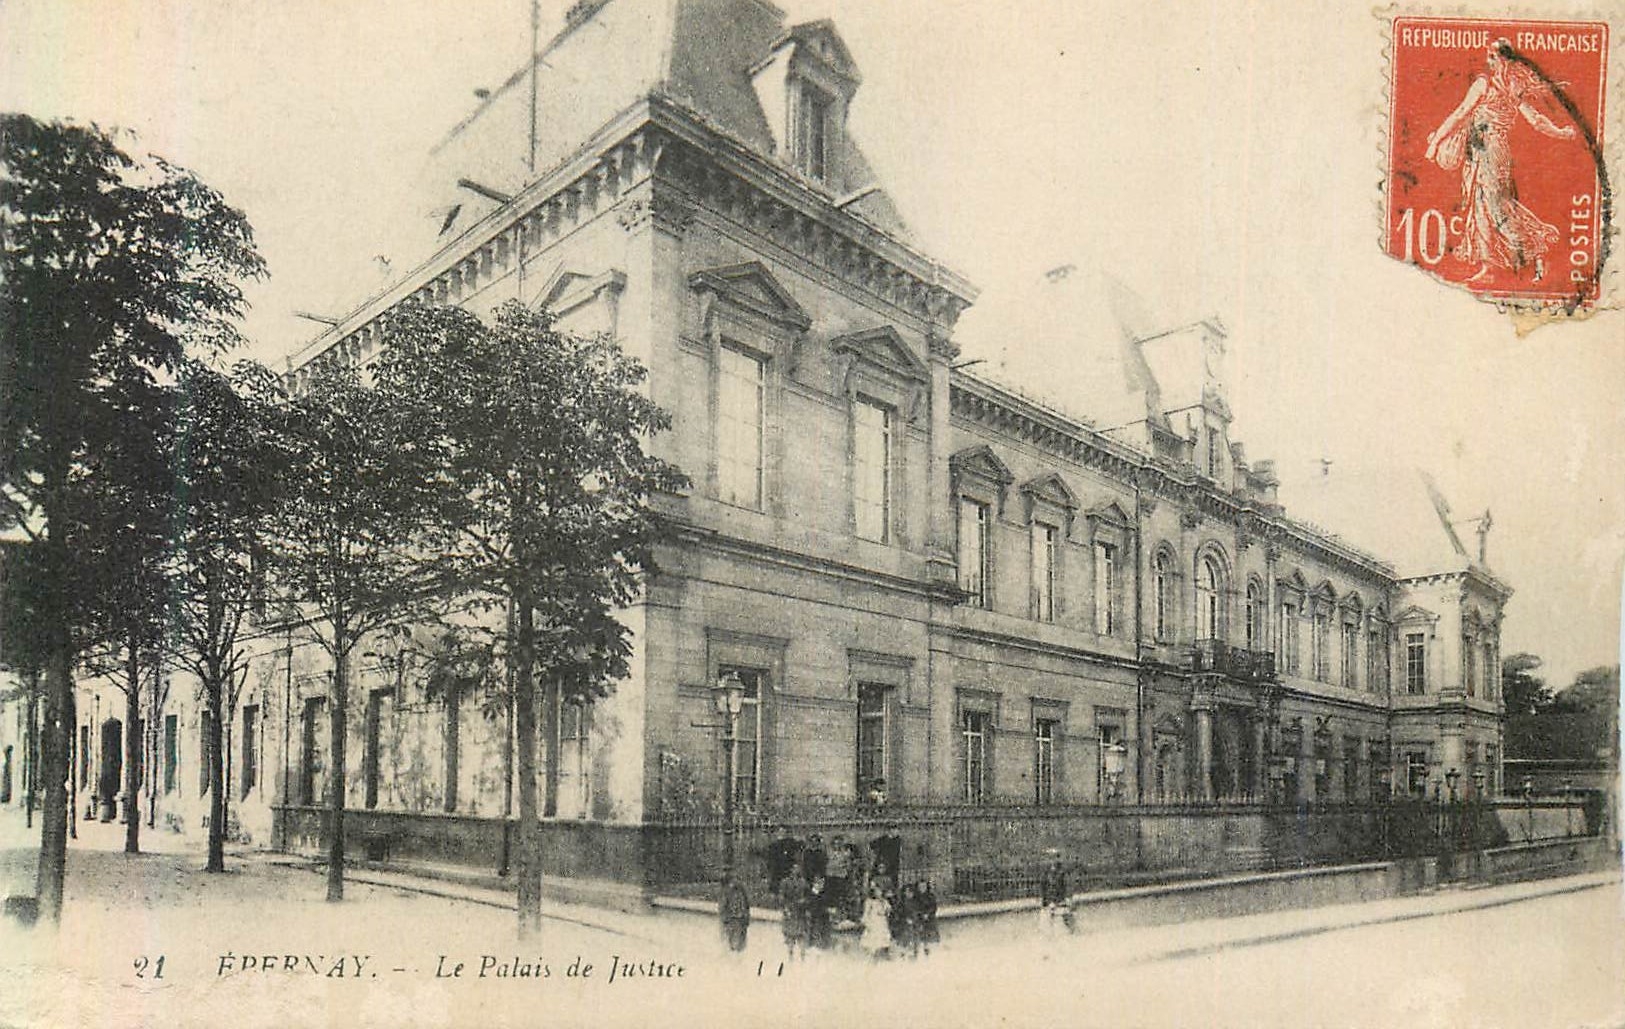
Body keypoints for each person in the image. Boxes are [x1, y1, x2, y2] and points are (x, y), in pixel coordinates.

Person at [1424, 39, 1579, 284]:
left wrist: (1435, 143)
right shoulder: (1506, 87)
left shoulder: (1492, 85)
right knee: (1479, 206)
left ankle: (1535, 248)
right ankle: (1488, 268)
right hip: (1478, 150)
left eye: (1492, 56)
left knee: (1496, 208)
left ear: (1504, 59)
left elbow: (1461, 113)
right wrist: (1561, 132)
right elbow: (1535, 120)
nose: (1489, 61)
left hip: (1492, 151)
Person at [778, 864, 809, 961]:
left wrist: (804, 901)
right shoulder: (785, 882)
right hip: (790, 911)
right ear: (791, 871)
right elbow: (781, 896)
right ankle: (790, 954)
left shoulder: (803, 883)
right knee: (790, 935)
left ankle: (803, 955)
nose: (796, 871)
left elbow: (808, 896)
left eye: (798, 869)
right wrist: (785, 908)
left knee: (801, 934)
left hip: (800, 912)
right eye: (794, 869)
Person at [859, 884, 893, 960]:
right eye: (877, 891)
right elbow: (866, 913)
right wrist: (866, 922)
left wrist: (886, 909)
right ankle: (871, 957)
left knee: (883, 941)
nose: (879, 893)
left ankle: (883, 956)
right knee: (872, 942)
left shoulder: (884, 901)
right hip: (873, 923)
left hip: (882, 923)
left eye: (880, 891)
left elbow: (888, 911)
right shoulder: (869, 901)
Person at [718, 874, 751, 954]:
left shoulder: (732, 890)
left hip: (736, 918)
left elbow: (746, 904)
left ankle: (735, 951)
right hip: (735, 918)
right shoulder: (732, 890)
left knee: (735, 942)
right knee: (733, 942)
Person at [1039, 854, 1070, 938]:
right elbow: (1043, 887)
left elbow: (1066, 885)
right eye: (1051, 858)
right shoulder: (1045, 874)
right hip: (1049, 900)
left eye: (1055, 858)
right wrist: (1044, 900)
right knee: (1047, 920)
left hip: (1059, 899)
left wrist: (1066, 897)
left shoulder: (1062, 873)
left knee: (1061, 920)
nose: (1053, 861)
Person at [805, 876, 833, 953]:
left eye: (822, 883)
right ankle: (813, 944)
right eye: (819, 883)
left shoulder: (823, 893)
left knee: (821, 929)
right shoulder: (813, 892)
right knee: (814, 928)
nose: (821, 885)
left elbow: (826, 902)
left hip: (822, 914)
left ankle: (821, 945)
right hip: (815, 914)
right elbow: (812, 902)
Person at [892, 882, 919, 959]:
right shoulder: (901, 903)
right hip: (904, 925)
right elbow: (898, 913)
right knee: (905, 940)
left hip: (915, 924)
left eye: (910, 892)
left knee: (914, 939)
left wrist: (914, 919)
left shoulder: (916, 902)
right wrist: (905, 919)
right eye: (906, 892)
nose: (908, 894)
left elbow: (918, 912)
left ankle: (914, 954)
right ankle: (903, 954)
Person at [914, 878, 940, 957]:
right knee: (918, 936)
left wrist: (928, 914)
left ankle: (928, 951)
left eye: (924, 886)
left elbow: (934, 907)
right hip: (919, 918)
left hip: (929, 919)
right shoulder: (915, 897)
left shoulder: (930, 896)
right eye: (920, 887)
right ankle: (916, 952)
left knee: (928, 937)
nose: (922, 888)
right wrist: (921, 914)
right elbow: (914, 907)